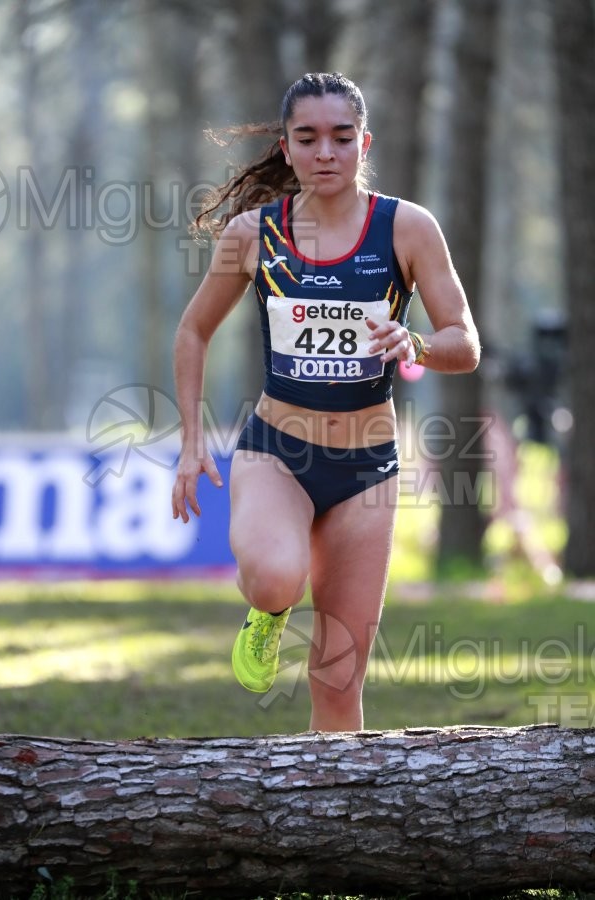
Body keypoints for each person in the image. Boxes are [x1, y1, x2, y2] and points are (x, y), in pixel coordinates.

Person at [171, 72, 480, 733]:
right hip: (276, 453)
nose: (325, 153)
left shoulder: (408, 228)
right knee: (277, 577)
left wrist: (416, 343)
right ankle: (268, 613)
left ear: (363, 143)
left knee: (339, 681)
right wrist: (192, 444)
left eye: (342, 138)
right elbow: (193, 331)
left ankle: (333, 828)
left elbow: (467, 344)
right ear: (286, 148)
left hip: (367, 470)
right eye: (307, 138)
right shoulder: (255, 235)